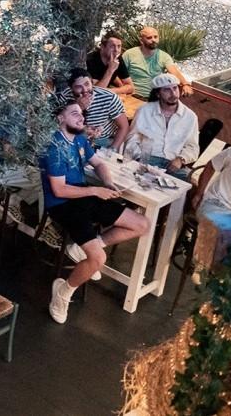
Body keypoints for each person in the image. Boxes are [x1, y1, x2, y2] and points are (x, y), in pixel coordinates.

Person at [41, 99, 149, 324]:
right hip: (62, 205)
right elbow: (58, 190)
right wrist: (95, 191)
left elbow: (99, 164)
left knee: (141, 224)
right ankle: (63, 292)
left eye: (81, 113)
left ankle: (91, 247)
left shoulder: (79, 138)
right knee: (98, 260)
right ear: (60, 119)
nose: (81, 117)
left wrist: (108, 183)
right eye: (74, 114)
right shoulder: (54, 146)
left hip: (85, 195)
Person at [127, 74, 200, 179]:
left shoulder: (190, 116)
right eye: (167, 90)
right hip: (146, 160)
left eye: (175, 88)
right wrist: (140, 158)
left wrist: (180, 160)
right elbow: (131, 139)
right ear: (158, 94)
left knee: (191, 184)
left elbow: (193, 147)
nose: (173, 93)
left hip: (172, 164)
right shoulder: (144, 110)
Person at [59, 69, 130, 151]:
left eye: (87, 84)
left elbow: (124, 126)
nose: (85, 90)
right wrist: (78, 107)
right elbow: (62, 125)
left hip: (102, 140)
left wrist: (111, 150)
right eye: (78, 87)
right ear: (71, 88)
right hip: (75, 137)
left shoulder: (109, 97)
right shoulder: (65, 96)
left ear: (92, 83)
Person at [122, 26, 192, 99]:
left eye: (155, 37)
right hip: (132, 95)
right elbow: (118, 73)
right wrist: (124, 89)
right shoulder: (129, 54)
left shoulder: (164, 56)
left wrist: (185, 84)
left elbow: (174, 71)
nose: (153, 40)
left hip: (153, 98)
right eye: (149, 38)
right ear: (141, 40)